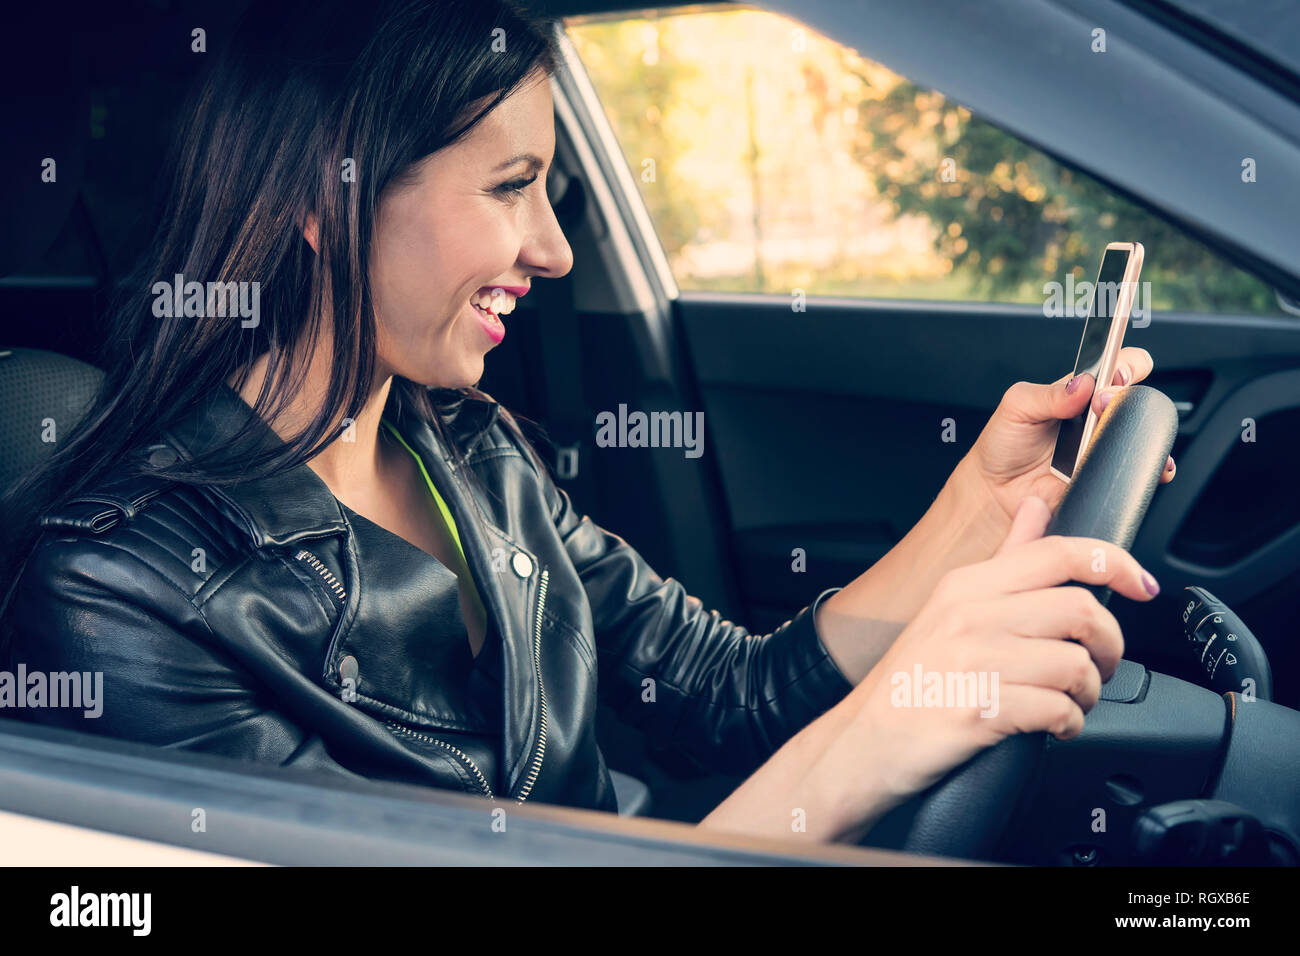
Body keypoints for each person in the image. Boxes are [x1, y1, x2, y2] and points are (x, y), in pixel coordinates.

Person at [0, 0, 1175, 844]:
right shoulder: (120, 594)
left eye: (548, 193)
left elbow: (731, 692)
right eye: (510, 189)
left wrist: (980, 500)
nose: (553, 250)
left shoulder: (473, 449)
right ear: (325, 196)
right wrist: (880, 734)